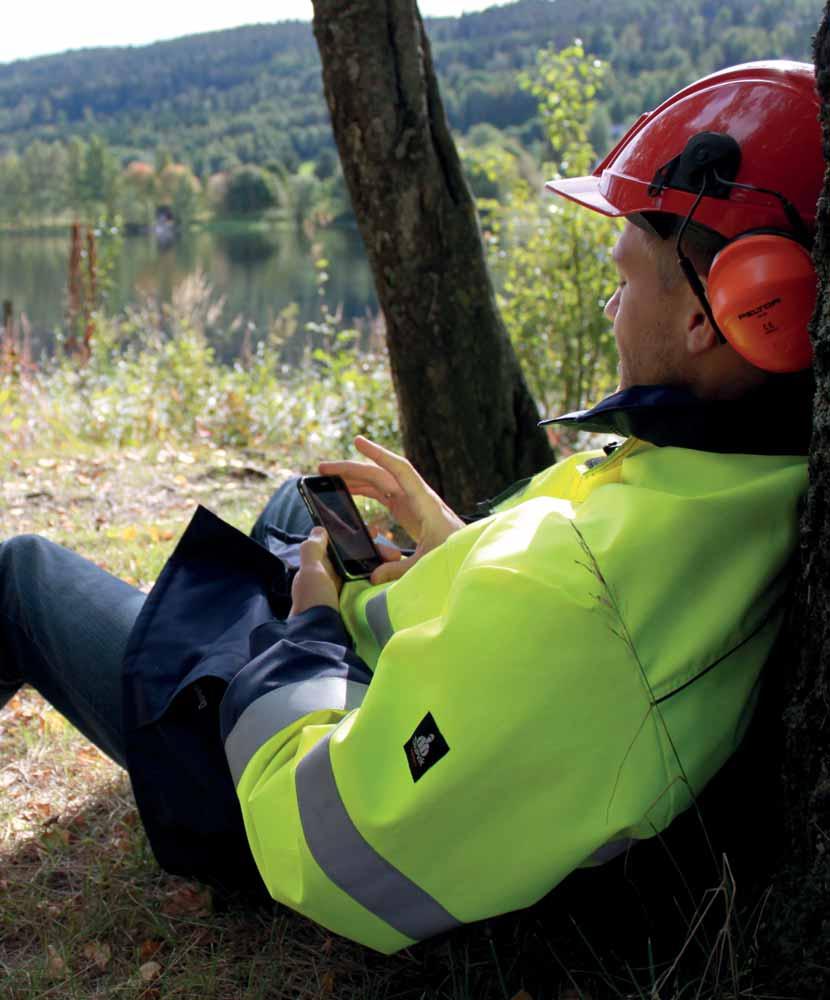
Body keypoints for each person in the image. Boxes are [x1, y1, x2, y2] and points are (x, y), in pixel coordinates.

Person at [0, 61, 823, 954]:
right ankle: (191, 663)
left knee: (20, 575)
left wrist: (307, 636)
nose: (610, 301)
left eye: (625, 274)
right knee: (295, 507)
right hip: (459, 719)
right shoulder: (738, 473)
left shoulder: (580, 598)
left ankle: (183, 720)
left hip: (302, 798)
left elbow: (325, 842)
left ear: (726, 311)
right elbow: (551, 619)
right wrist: (450, 546)